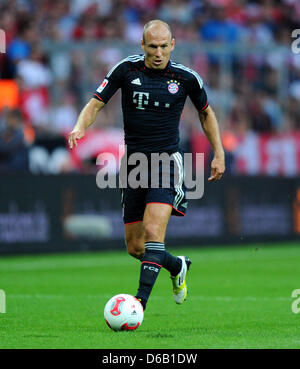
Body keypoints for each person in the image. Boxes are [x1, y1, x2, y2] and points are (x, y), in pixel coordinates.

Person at [68, 20, 225, 311]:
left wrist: (219, 153)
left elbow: (206, 114)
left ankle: (138, 304)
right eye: (152, 46)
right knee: (136, 247)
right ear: (142, 46)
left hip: (167, 161)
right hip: (134, 165)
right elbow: (96, 103)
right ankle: (177, 265)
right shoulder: (125, 70)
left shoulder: (186, 77)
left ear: (173, 45)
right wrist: (80, 126)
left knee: (154, 233)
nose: (158, 52)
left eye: (164, 46)